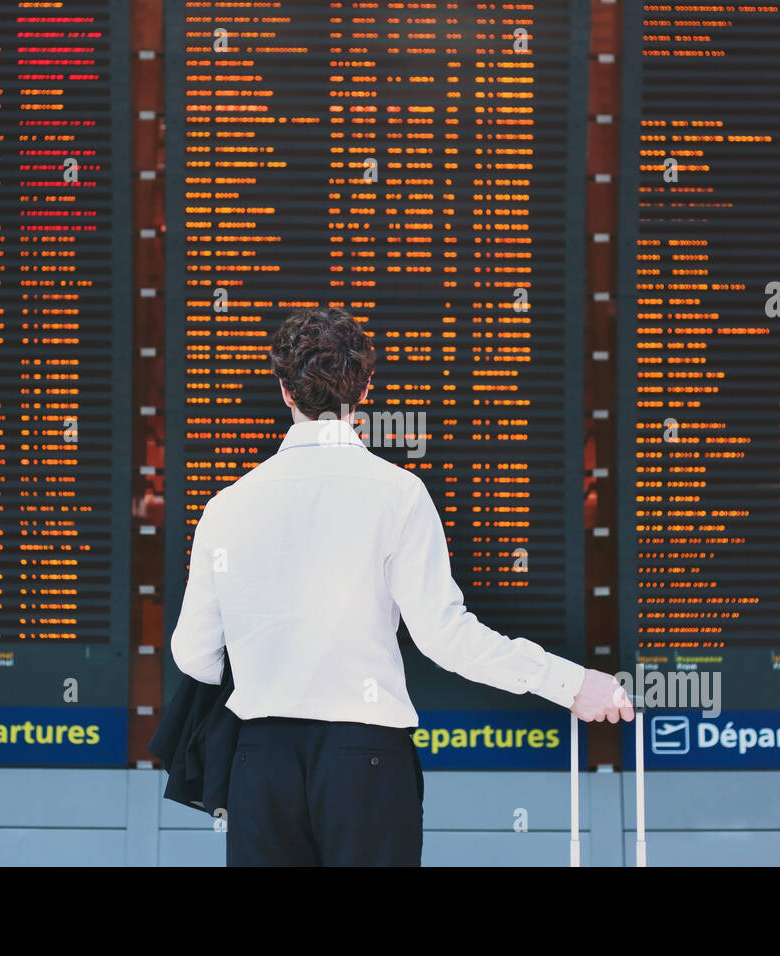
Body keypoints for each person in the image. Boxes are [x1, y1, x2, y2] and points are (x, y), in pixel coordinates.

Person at [170, 306, 633, 866]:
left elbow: (193, 655)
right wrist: (570, 683)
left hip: (261, 760)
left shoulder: (226, 507)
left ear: (285, 390)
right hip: (365, 759)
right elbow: (445, 637)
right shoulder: (399, 494)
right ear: (365, 389)